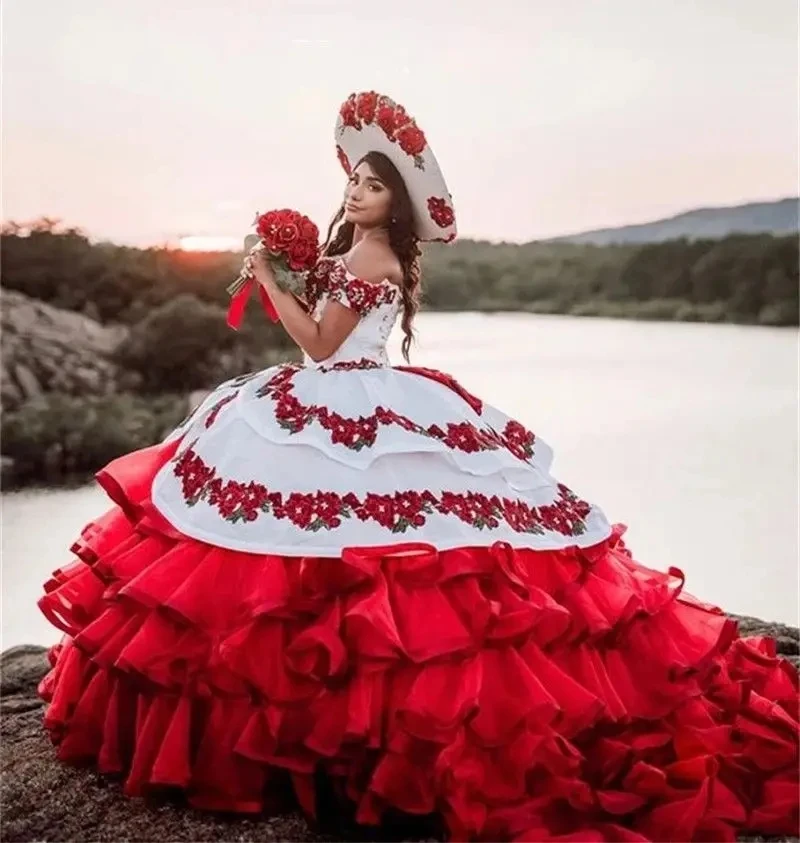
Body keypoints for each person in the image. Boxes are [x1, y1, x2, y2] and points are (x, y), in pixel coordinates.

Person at [36, 91, 798, 842]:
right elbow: (328, 337)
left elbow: (323, 347)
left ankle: (319, 726)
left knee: (315, 551)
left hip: (345, 390)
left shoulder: (367, 254)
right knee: (352, 546)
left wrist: (270, 280)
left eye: (370, 186)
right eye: (353, 183)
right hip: (359, 392)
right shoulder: (370, 252)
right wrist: (295, 272)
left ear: (393, 202)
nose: (355, 193)